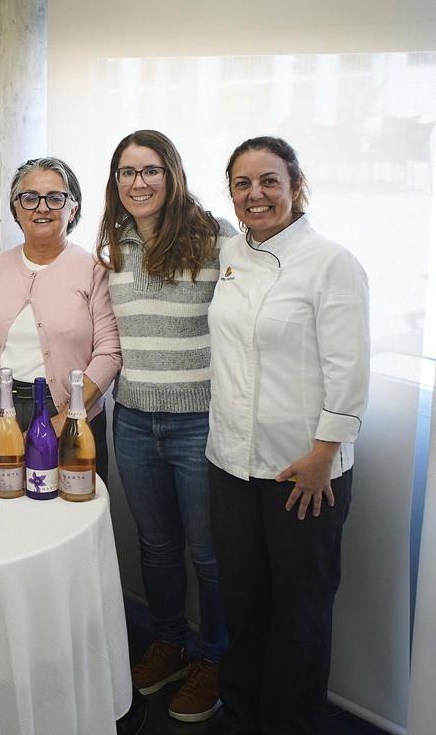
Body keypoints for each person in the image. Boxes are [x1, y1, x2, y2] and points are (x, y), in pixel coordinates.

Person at [207, 136, 369, 735]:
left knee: (301, 610)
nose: (256, 195)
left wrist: (324, 455)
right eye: (243, 184)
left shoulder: (331, 263)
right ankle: (241, 713)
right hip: (229, 463)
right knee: (243, 600)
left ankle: (290, 723)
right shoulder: (230, 253)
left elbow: (349, 370)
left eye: (269, 181)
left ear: (296, 186)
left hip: (302, 469)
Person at [96, 130, 235, 723]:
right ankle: (170, 644)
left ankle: (216, 660)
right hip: (133, 417)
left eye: (150, 170)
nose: (139, 182)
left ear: (171, 174)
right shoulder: (115, 243)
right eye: (127, 172)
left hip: (198, 420)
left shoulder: (214, 238)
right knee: (154, 547)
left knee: (207, 553)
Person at [0, 157, 120, 480]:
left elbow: (109, 353)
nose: (42, 207)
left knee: (71, 502)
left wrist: (65, 419)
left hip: (72, 415)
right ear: (16, 210)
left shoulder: (94, 270)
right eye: (29, 198)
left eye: (55, 198)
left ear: (73, 209)